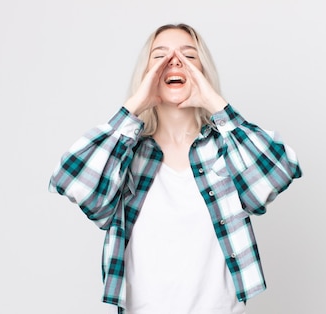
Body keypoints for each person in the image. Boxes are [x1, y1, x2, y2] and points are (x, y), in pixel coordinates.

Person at [49, 23, 302, 314]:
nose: (174, 61)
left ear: (203, 72)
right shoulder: (126, 155)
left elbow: (280, 170)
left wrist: (216, 105)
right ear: (146, 75)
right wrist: (132, 107)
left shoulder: (227, 149)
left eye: (189, 56)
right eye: (160, 57)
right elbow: (73, 180)